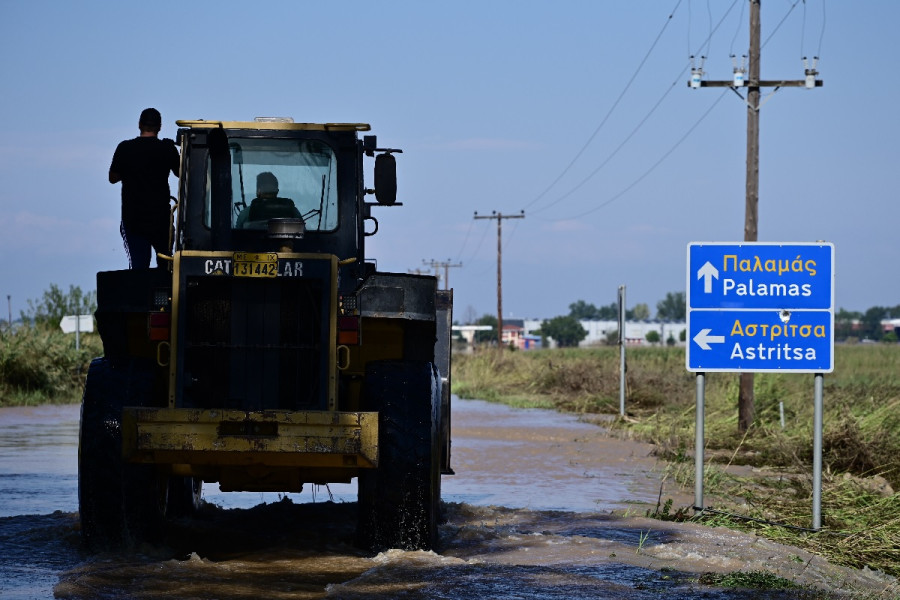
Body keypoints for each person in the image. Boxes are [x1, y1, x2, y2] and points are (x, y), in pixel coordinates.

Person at [109, 108, 180, 268]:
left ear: (140, 124)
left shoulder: (125, 148)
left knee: (139, 270)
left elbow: (112, 178)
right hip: (161, 221)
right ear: (159, 127)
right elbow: (181, 172)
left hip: (133, 221)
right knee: (166, 268)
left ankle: (140, 293)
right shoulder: (167, 149)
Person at [235, 171, 303, 229]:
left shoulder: (246, 214)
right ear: (277, 191)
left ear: (258, 191)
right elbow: (304, 234)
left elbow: (236, 239)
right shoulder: (292, 211)